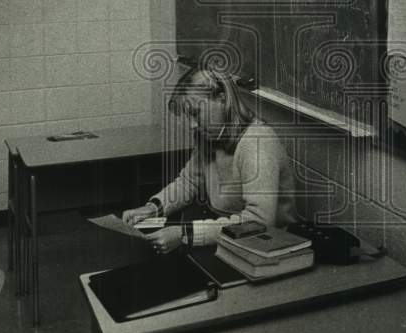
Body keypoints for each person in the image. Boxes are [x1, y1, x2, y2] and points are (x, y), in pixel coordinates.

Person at [123, 66, 298, 254]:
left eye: (196, 113)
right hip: (232, 238)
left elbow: (259, 221)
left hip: (266, 246)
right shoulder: (211, 136)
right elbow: (189, 181)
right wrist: (152, 208)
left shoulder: (258, 144)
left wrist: (186, 234)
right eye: (189, 116)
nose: (192, 125)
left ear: (222, 98)